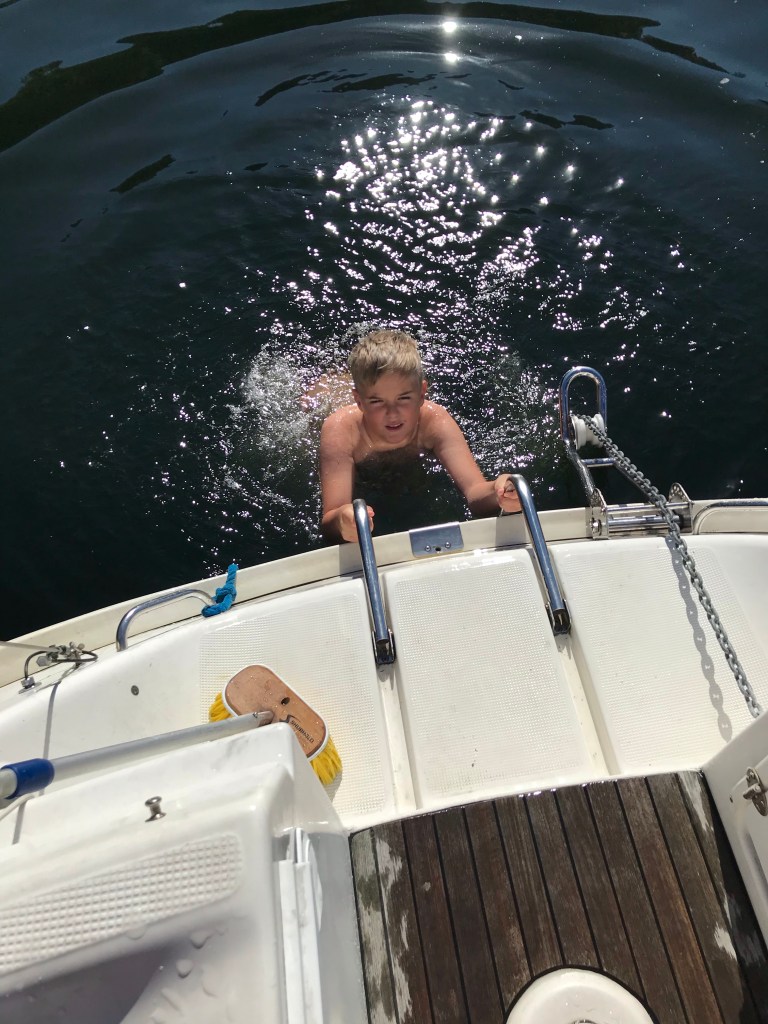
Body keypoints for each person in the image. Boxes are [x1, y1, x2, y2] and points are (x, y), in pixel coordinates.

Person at [319, 329, 522, 542]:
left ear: (422, 393)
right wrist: (343, 519)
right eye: (377, 401)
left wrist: (498, 491)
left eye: (404, 398)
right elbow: (330, 517)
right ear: (359, 402)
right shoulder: (342, 432)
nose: (392, 414)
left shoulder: (434, 421)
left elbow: (474, 491)